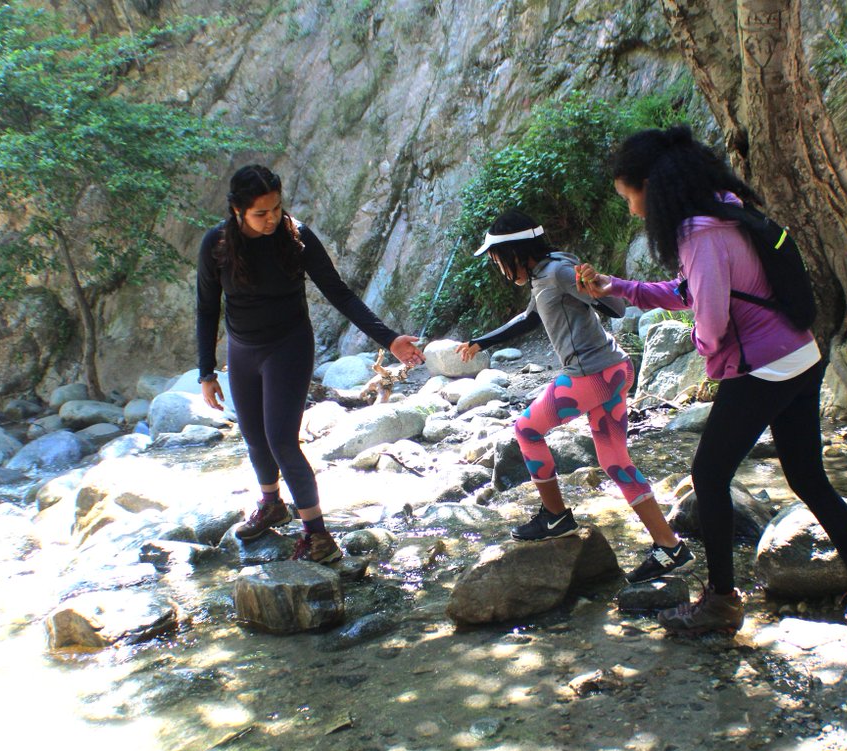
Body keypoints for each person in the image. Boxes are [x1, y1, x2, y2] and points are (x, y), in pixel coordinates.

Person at [575, 126, 847, 641]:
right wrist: (618, 288)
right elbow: (693, 290)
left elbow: (710, 321)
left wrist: (710, 357)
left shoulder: (698, 235)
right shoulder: (725, 207)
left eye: (630, 197)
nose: (633, 211)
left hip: (762, 368)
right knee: (809, 479)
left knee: (707, 476)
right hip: (801, 354)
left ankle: (722, 604)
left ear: (652, 188)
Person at [197, 165, 424, 563]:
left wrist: (389, 339)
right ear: (237, 211)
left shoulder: (295, 236)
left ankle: (318, 534)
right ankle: (271, 504)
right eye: (260, 213)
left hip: (288, 346)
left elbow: (340, 293)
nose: (272, 219)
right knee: (253, 435)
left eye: (276, 208)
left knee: (282, 440)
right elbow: (205, 308)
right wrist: (205, 371)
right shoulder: (216, 244)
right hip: (242, 349)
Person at [456, 210, 693, 583]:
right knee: (614, 460)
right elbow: (529, 319)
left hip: (592, 375)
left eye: (497, 258)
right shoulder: (545, 274)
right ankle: (670, 547)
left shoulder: (558, 272)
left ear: (515, 251)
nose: (498, 266)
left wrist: (596, 288)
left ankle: (555, 516)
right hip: (612, 369)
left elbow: (615, 307)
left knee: (526, 430)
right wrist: (480, 341)